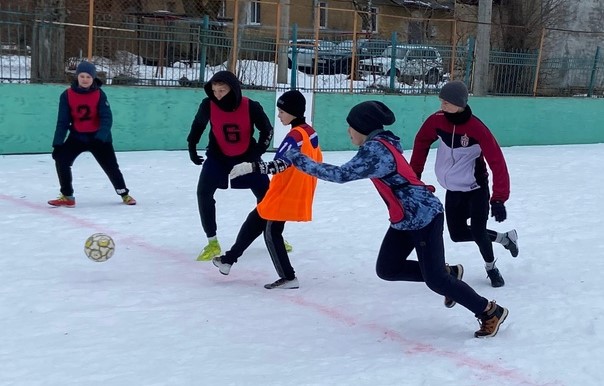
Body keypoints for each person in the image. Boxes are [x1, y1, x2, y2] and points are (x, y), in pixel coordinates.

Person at [285, 100, 508, 338]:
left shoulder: (376, 152)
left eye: (350, 126)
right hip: (404, 218)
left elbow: (341, 175)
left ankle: (489, 311)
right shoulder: (380, 144)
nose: (348, 131)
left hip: (423, 216)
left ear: (362, 126)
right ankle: (449, 274)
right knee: (388, 268)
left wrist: (297, 159)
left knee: (435, 280)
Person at [410, 80, 518, 288]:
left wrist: (498, 199)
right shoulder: (436, 121)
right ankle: (505, 239)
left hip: (475, 189)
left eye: (447, 102)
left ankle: (491, 268)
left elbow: (497, 162)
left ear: (460, 103)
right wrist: (414, 174)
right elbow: (421, 141)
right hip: (453, 190)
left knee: (478, 231)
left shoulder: (476, 128)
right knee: (457, 234)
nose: (443, 106)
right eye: (441, 101)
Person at [212, 90, 322, 289]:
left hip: (286, 192)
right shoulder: (309, 131)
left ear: (293, 112)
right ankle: (228, 260)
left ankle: (289, 277)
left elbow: (281, 165)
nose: (278, 115)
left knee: (272, 232)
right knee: (255, 219)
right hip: (289, 190)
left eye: (281, 111)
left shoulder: (294, 137)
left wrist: (250, 167)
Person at [187, 70, 293, 262]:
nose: (218, 94)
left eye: (222, 90)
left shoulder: (250, 106)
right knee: (203, 192)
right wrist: (192, 146)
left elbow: (266, 130)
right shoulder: (208, 105)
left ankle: (275, 235)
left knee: (268, 197)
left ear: (233, 89)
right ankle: (212, 242)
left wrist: (257, 154)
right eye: (214, 90)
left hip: (247, 156)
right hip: (218, 157)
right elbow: (198, 125)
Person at [48, 61, 136, 208]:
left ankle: (124, 193)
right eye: (82, 76)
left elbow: (106, 118)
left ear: (93, 78)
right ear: (77, 77)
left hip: (98, 138)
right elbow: (62, 121)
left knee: (111, 167)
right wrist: (57, 143)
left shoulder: (99, 94)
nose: (85, 79)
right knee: (61, 160)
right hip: (77, 136)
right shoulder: (67, 95)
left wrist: (100, 137)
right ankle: (67, 196)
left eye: (88, 77)